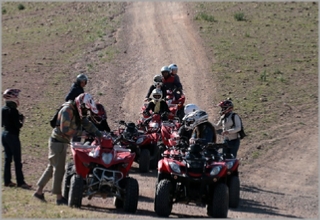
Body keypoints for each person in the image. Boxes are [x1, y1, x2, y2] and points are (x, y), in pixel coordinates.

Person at [33, 93, 103, 205]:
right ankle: (59, 198)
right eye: (85, 109)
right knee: (59, 170)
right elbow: (65, 129)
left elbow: (87, 123)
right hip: (58, 142)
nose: (85, 112)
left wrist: (98, 133)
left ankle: (38, 192)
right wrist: (81, 133)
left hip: (60, 142)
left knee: (52, 167)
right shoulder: (67, 110)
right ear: (80, 105)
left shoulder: (76, 110)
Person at [1, 89, 31, 189]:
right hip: (13, 136)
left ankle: (7, 180)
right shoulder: (13, 110)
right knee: (17, 160)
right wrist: (21, 120)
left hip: (4, 134)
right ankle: (21, 182)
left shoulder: (3, 109)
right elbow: (18, 126)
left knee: (7, 159)